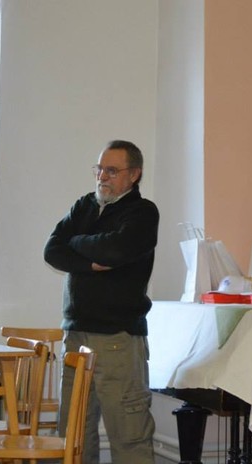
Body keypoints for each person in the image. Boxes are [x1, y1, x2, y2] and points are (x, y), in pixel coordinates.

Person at [44, 140, 159, 464]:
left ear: (134, 174)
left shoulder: (142, 212)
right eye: (99, 169)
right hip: (76, 333)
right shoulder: (84, 206)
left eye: (112, 170)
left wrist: (76, 243)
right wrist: (91, 262)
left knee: (129, 436)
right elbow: (52, 251)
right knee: (73, 436)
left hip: (117, 338)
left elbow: (115, 250)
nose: (102, 177)